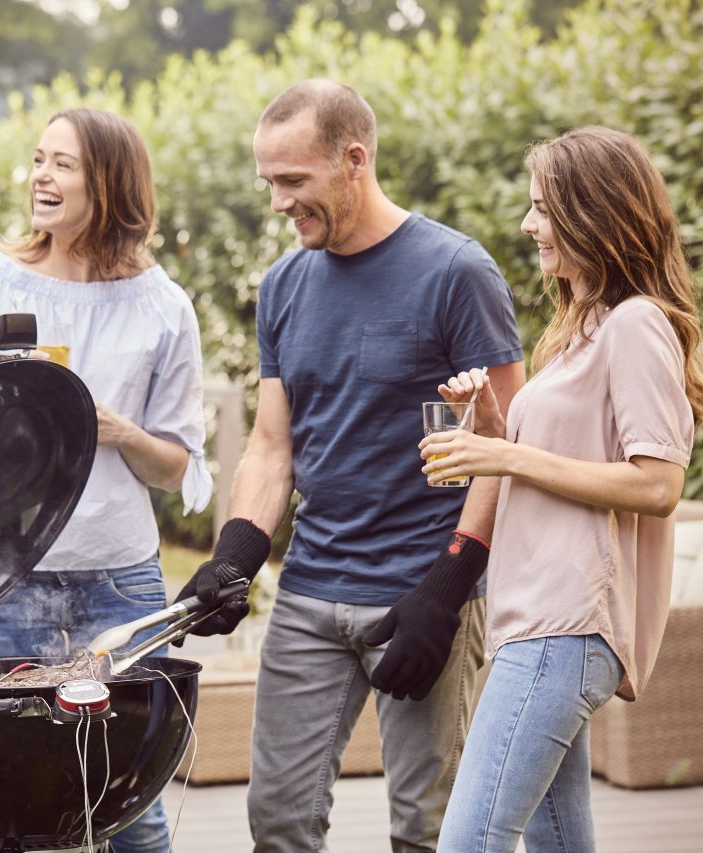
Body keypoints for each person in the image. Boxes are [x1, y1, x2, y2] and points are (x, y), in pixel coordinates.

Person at [176, 79, 526, 852]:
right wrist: (236, 553)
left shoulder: (456, 272)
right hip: (310, 595)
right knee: (278, 821)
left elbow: (511, 449)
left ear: (354, 160)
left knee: (429, 828)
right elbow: (273, 445)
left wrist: (448, 587)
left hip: (423, 591)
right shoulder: (284, 284)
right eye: (268, 182)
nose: (277, 203)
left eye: (293, 181)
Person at [424, 126, 703, 852]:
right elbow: (560, 456)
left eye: (542, 209)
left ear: (596, 212)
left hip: (566, 622)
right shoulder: (581, 329)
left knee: (468, 841)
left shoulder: (637, 324)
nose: (528, 226)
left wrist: (508, 458)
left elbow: (657, 483)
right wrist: (493, 429)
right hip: (538, 622)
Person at [0, 107, 212, 853]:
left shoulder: (164, 306)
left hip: (120, 583)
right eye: (37, 159)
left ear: (109, 183)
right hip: (10, 575)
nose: (40, 177)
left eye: (62, 164)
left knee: (131, 801)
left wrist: (117, 431)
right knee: (16, 793)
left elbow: (178, 466)